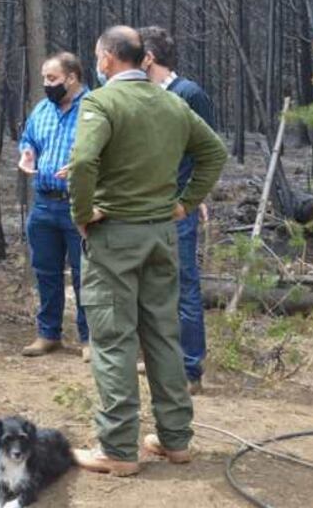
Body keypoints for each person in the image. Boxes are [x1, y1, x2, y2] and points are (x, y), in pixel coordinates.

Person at [69, 26, 228, 476]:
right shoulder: (172, 102)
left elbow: (82, 162)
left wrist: (81, 212)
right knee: (162, 333)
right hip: (161, 234)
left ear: (105, 60)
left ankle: (118, 450)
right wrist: (184, 203)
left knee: (113, 339)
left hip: (114, 236)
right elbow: (214, 153)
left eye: (98, 57)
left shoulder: (101, 103)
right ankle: (176, 440)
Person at [139, 26, 215, 395]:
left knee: (184, 287)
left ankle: (189, 369)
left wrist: (193, 199)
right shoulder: (140, 96)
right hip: (143, 209)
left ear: (148, 57)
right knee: (152, 287)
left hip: (176, 212)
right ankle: (159, 357)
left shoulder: (189, 94)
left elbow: (208, 152)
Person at [18, 52, 90, 361]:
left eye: (52, 79)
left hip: (79, 205)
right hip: (44, 203)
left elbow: (110, 152)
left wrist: (82, 167)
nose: (47, 85)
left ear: (71, 78)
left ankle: (91, 339)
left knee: (85, 274)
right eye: (45, 79)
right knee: (45, 271)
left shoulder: (94, 109)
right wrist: (26, 153)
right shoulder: (42, 109)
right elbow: (28, 139)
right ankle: (48, 334)